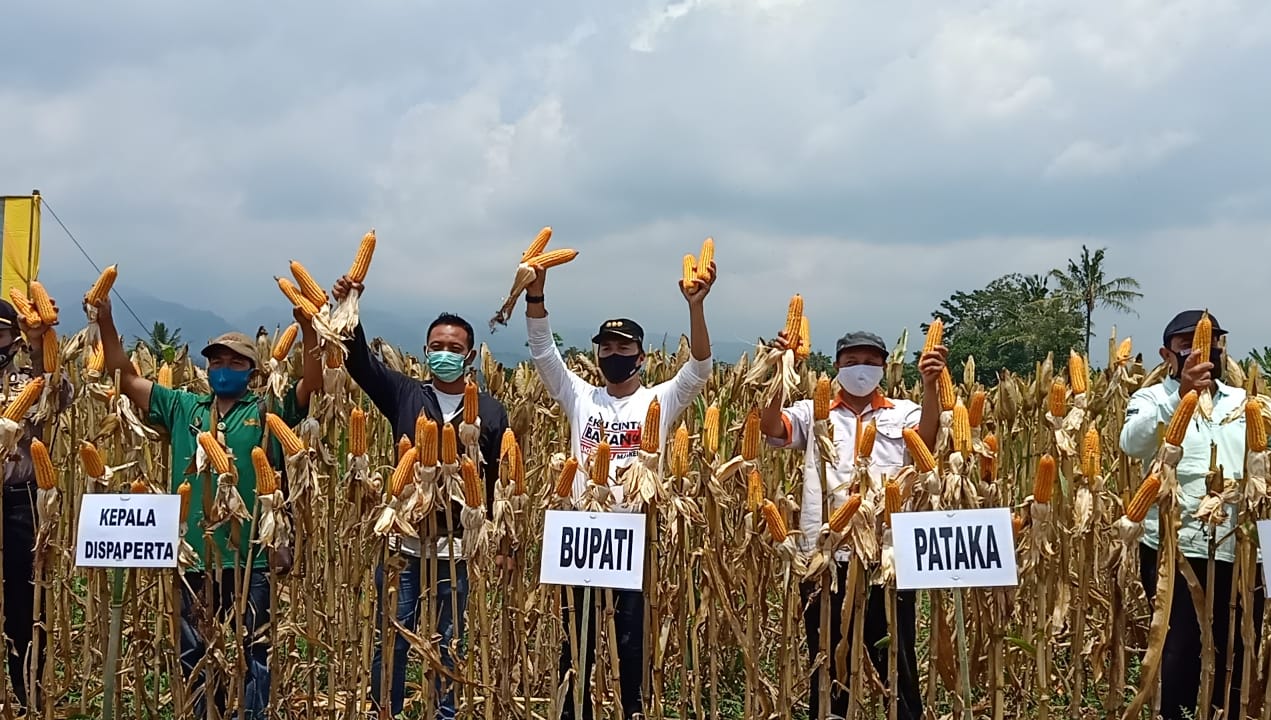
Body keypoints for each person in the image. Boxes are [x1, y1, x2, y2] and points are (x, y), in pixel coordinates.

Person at [91, 296, 321, 720]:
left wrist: (307, 328)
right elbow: (122, 377)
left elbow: (313, 382)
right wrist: (105, 320)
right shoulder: (182, 407)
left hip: (251, 554)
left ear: (252, 372)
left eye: (235, 364)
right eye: (217, 361)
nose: (224, 370)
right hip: (192, 555)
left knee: (254, 648)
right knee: (194, 650)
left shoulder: (268, 409)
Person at [523, 259, 716, 720]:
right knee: (579, 639)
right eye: (606, 347)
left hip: (635, 535)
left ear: (641, 356)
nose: (613, 354)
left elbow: (701, 368)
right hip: (582, 534)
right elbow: (542, 352)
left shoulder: (660, 400)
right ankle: (574, 711)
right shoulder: (580, 396)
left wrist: (696, 307)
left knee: (631, 639)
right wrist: (536, 295)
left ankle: (632, 708)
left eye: (623, 346)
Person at [332, 275, 509, 720]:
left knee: (448, 643)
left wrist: (497, 539)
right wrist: (349, 304)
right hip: (403, 545)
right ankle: (383, 712)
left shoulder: (490, 411)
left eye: (454, 348)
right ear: (425, 351)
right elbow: (360, 364)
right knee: (390, 637)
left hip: (456, 548)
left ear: (469, 356)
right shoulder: (406, 394)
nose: (444, 354)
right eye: (437, 346)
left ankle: (443, 714)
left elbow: (496, 483)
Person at [761, 330, 945, 720]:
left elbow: (926, 445)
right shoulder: (813, 412)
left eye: (870, 361)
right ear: (837, 366)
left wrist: (931, 386)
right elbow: (772, 428)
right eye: (851, 361)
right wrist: (780, 370)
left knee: (896, 657)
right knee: (826, 659)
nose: (861, 368)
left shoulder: (904, 413)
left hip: (887, 557)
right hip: (823, 557)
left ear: (884, 367)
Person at [1119, 310, 1269, 720]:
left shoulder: (1246, 402)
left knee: (1238, 644)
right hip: (1175, 548)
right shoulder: (1150, 399)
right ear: (1168, 354)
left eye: (1212, 341)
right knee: (1179, 648)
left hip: (1240, 548)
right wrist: (1180, 395)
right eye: (1188, 343)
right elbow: (1131, 444)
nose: (1203, 349)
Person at [1, 298, 72, 714]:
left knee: (25, 608)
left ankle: (29, 695)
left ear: (14, 339)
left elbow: (63, 394)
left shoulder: (33, 381)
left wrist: (43, 339)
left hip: (21, 502)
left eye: (0, 335)